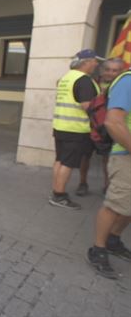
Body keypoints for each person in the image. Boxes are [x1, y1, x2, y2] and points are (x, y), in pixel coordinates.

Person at [86, 68, 131, 279]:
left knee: (128, 205)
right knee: (115, 204)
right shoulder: (128, 80)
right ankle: (98, 249)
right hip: (125, 155)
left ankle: (113, 240)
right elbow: (113, 122)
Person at [49, 49, 102, 210]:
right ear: (86, 62)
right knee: (68, 163)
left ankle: (56, 191)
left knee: (60, 160)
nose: (96, 64)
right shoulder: (84, 80)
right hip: (75, 129)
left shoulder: (66, 77)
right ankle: (59, 196)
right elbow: (87, 106)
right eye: (95, 61)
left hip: (61, 126)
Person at [85, 58, 126, 194]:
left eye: (115, 70)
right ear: (102, 70)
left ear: (121, 71)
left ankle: (107, 185)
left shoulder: (122, 85)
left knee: (107, 159)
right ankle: (82, 183)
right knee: (85, 157)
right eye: (107, 69)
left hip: (109, 130)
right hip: (91, 126)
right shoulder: (92, 83)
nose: (110, 73)